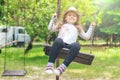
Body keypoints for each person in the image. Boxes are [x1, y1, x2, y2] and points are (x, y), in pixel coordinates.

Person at [45, 6, 96, 76]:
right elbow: (50, 28)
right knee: (58, 40)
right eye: (69, 15)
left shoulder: (77, 28)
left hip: (70, 46)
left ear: (77, 18)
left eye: (74, 16)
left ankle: (62, 68)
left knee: (77, 45)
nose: (72, 17)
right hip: (60, 44)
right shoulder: (61, 25)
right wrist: (53, 19)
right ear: (65, 17)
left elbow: (87, 37)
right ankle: (50, 65)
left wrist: (91, 27)